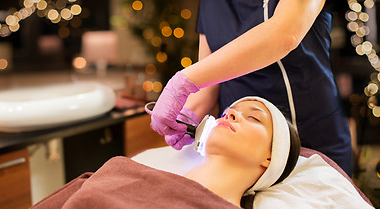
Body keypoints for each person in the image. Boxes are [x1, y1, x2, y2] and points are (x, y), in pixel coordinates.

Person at [0, 97, 299, 209]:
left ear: (270, 159)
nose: (231, 114)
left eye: (254, 118)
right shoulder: (119, 172)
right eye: (230, 110)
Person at [149, 0, 353, 176]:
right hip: (241, 154)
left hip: (309, 142)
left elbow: (284, 35)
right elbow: (209, 83)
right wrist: (186, 115)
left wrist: (183, 81)